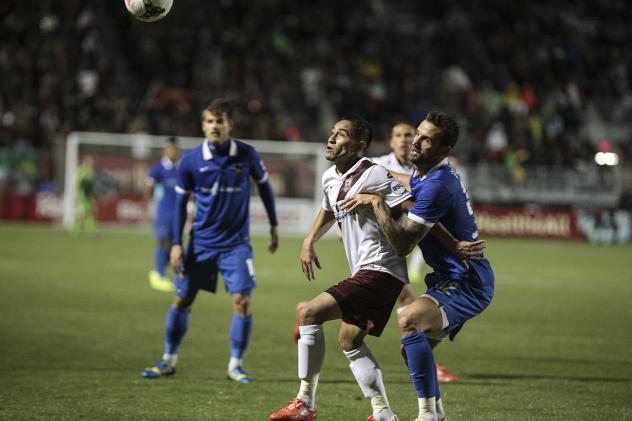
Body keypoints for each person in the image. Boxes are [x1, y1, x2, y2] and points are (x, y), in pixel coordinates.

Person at [269, 116, 480, 421]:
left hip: (382, 270)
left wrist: (454, 244)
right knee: (349, 340)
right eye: (331, 133)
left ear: (358, 145)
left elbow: (414, 207)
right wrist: (309, 239)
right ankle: (382, 413)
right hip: (364, 272)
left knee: (308, 313)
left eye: (340, 135)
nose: (331, 139)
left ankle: (304, 403)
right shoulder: (330, 176)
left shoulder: (374, 173)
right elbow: (329, 207)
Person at [341, 111, 494, 421]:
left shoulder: (437, 184)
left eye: (427, 139)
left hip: (467, 281)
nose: (416, 141)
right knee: (410, 348)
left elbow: (403, 244)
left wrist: (376, 202)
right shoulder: (425, 173)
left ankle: (427, 415)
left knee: (409, 319)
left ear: (444, 149)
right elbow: (419, 204)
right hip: (447, 278)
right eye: (417, 134)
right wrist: (452, 243)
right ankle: (437, 414)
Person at [141, 98, 279, 384]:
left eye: (220, 121)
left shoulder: (246, 154)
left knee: (242, 301)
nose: (215, 126)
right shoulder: (190, 160)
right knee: (182, 299)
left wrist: (274, 224)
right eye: (209, 121)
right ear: (203, 125)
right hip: (200, 244)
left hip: (236, 244)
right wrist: (177, 244)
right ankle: (168, 359)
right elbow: (180, 203)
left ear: (230, 124)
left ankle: (235, 365)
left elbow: (264, 187)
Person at [374, 122, 460, 384]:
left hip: (398, 246)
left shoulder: (421, 167)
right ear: (390, 141)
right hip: (377, 247)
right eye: (397, 135)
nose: (404, 140)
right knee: (407, 305)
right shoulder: (377, 165)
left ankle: (309, 315)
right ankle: (426, 365)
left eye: (409, 135)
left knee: (365, 313)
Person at [145, 137, 180, 292]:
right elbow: (149, 187)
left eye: (174, 149)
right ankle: (159, 274)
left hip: (178, 212)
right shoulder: (158, 168)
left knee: (175, 244)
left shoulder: (179, 168)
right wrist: (149, 203)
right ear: (165, 150)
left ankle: (167, 274)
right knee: (162, 241)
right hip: (164, 211)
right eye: (169, 148)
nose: (172, 151)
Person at [72, 154, 97, 236]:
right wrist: (77, 195)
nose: (92, 163)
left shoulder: (90, 171)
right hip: (82, 195)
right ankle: (76, 231)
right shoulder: (82, 170)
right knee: (82, 214)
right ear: (86, 162)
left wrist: (91, 196)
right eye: (90, 161)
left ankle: (91, 231)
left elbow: (90, 186)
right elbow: (79, 184)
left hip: (88, 196)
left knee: (88, 213)